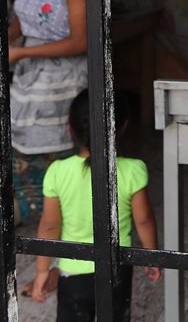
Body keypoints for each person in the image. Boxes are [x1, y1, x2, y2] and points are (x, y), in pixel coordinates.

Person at [31, 90, 161, 321]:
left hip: (73, 273)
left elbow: (49, 226)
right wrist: (151, 255)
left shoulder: (58, 172)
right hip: (116, 267)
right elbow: (144, 219)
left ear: (69, 129)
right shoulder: (133, 170)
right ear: (122, 127)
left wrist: (42, 271)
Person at [5, 0, 91, 226]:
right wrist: (6, 37)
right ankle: (45, 222)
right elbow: (27, 23)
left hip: (64, 78)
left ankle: (70, 221)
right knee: (25, 145)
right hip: (30, 76)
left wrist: (22, 54)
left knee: (59, 149)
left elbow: (81, 41)